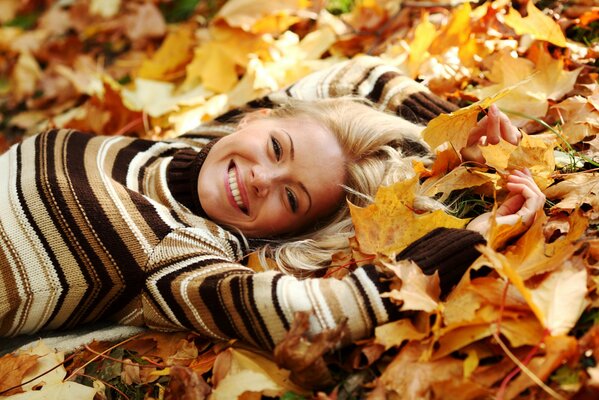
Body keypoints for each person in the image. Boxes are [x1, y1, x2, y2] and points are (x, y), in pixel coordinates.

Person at [0, 56, 544, 350]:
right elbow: (358, 74)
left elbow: (308, 315)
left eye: (291, 196)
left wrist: (474, 235)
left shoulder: (181, 246)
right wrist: (453, 129)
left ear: (288, 230)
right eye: (277, 148)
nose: (262, 179)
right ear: (257, 118)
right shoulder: (198, 145)